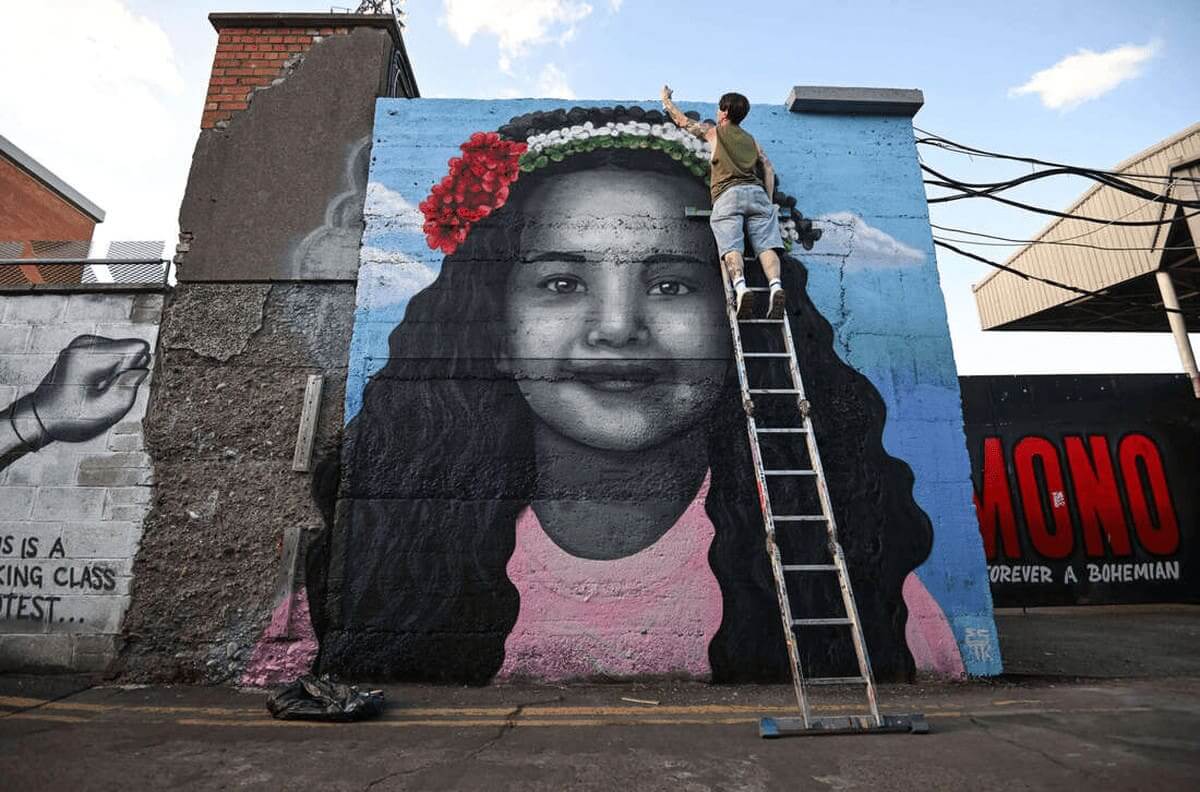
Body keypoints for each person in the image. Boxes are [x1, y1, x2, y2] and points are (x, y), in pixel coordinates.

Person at [306, 105, 939, 685]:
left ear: (735, 325)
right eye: (560, 283)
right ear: (496, 330)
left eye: (671, 286)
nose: (616, 327)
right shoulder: (383, 564)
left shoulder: (853, 577)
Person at [661, 86, 785, 320]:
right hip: (757, 194)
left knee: (731, 245)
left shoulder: (713, 132)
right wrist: (769, 202)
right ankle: (776, 287)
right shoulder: (752, 140)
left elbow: (683, 122)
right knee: (766, 246)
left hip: (728, 194)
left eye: (719, 108)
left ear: (725, 112)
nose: (717, 112)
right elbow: (767, 167)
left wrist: (665, 100)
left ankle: (740, 287)